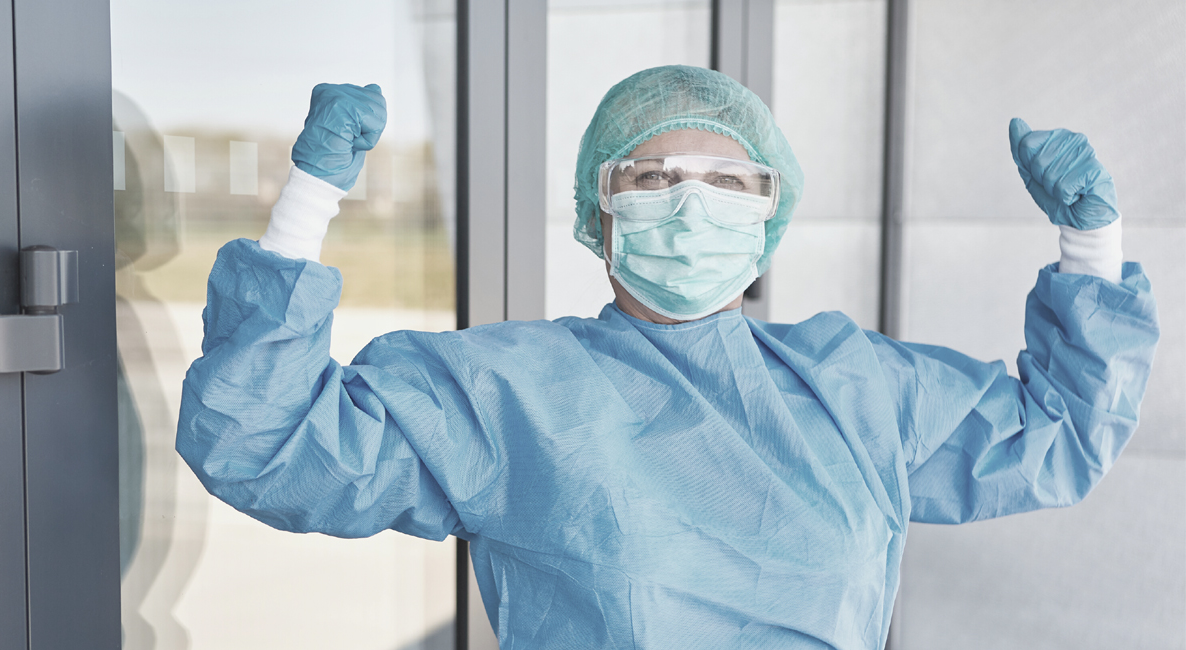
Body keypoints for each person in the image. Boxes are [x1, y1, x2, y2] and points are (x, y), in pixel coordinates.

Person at [177, 66, 1159, 649]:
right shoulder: (511, 396)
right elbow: (270, 442)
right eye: (652, 174)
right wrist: (308, 198)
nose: (690, 203)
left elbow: (1056, 432)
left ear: (767, 215)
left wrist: (1093, 242)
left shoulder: (853, 390)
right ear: (599, 213)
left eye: (726, 178)